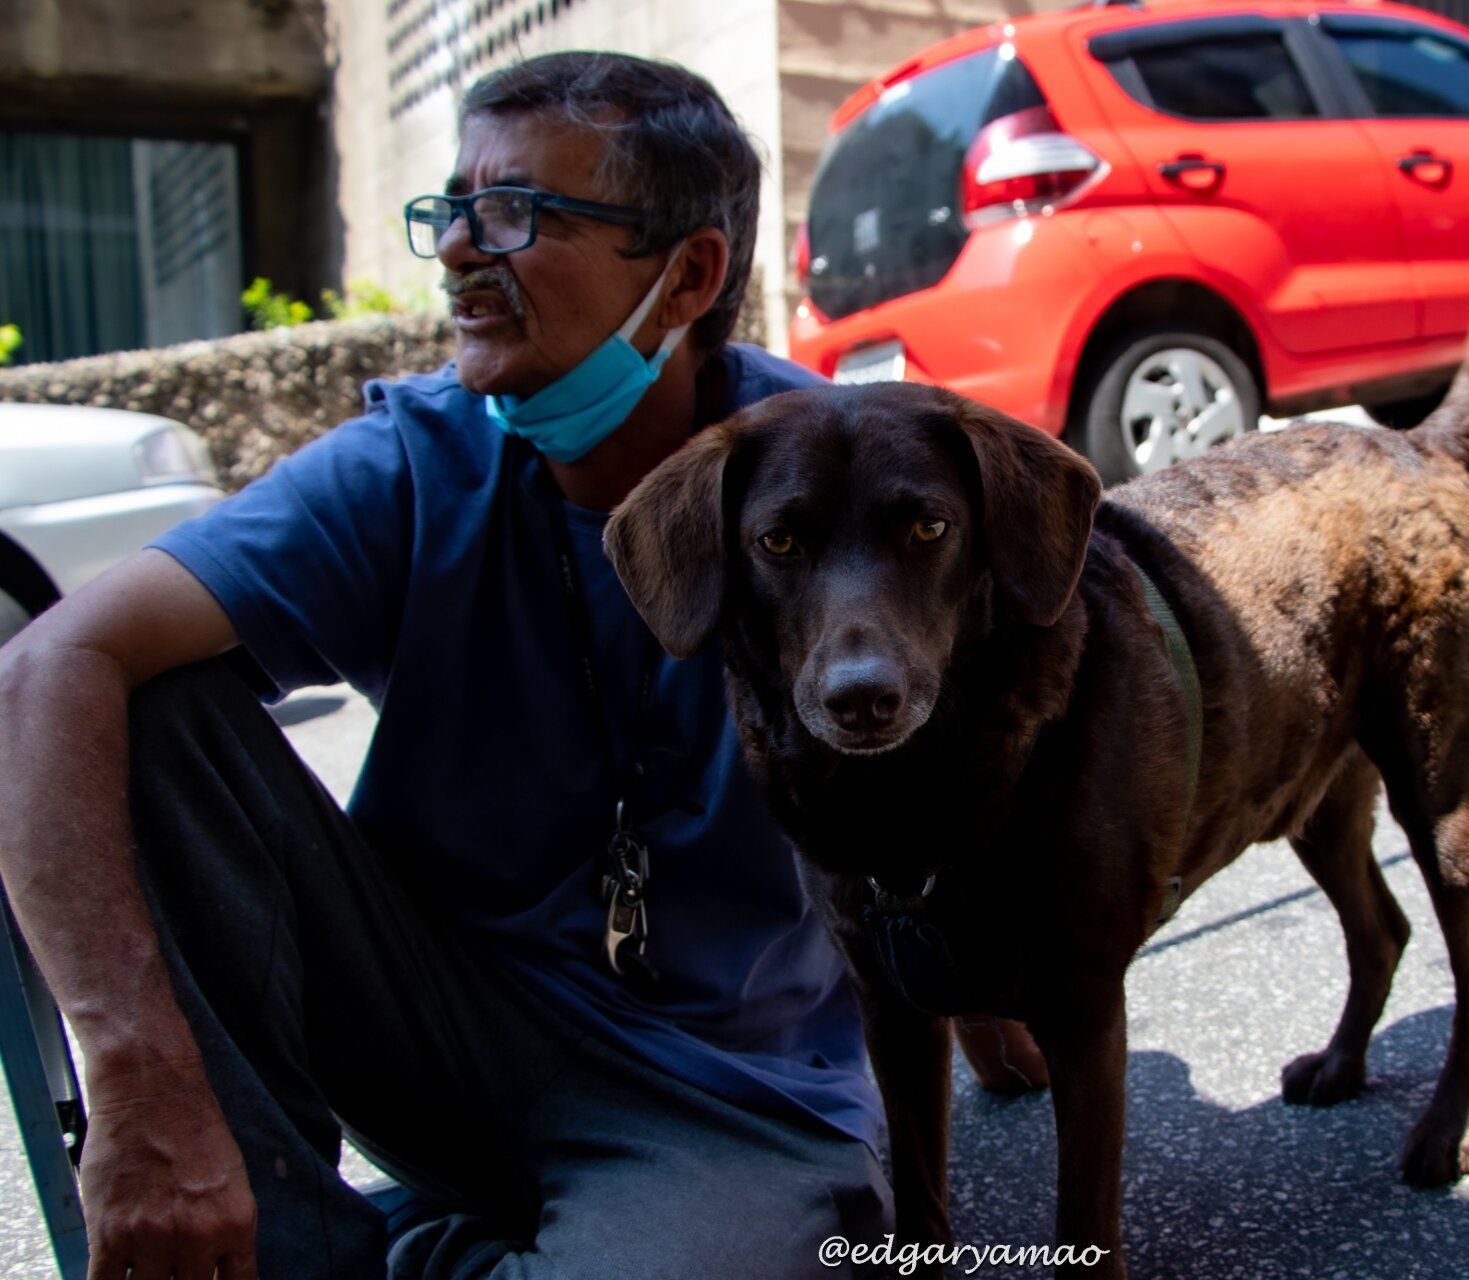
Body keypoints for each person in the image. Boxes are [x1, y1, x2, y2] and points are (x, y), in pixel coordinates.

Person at [0, 52, 894, 1280]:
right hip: (440, 1032)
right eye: (455, 210)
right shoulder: (416, 462)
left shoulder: (834, 481)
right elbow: (45, 667)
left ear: (688, 274)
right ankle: (279, 1239)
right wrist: (138, 1081)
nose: (463, 250)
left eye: (518, 211)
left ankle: (443, 1248)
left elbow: (1020, 729)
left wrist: (1000, 1025)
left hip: (724, 1091)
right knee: (143, 699)